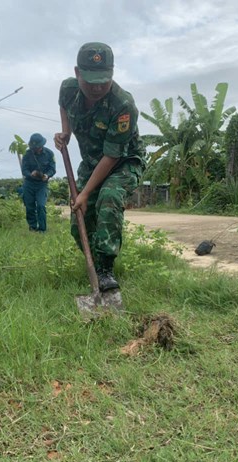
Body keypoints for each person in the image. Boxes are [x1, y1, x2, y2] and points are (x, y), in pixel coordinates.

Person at [54, 42, 145, 291]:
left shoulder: (123, 105)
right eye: (90, 80)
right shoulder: (68, 89)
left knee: (109, 196)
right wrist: (66, 131)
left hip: (123, 161)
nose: (96, 88)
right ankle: (92, 263)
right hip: (92, 162)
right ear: (77, 73)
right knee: (80, 218)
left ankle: (105, 269)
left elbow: (111, 156)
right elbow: (64, 105)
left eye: (103, 81)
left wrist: (84, 193)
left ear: (112, 74)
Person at [21, 133, 56, 233]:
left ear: (42, 145)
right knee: (29, 206)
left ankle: (42, 229)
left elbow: (52, 169)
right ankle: (32, 227)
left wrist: (47, 175)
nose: (37, 149)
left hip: (42, 184)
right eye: (35, 147)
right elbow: (24, 170)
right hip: (29, 184)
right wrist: (30, 174)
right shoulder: (27, 155)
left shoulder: (49, 154)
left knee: (41, 205)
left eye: (38, 147)